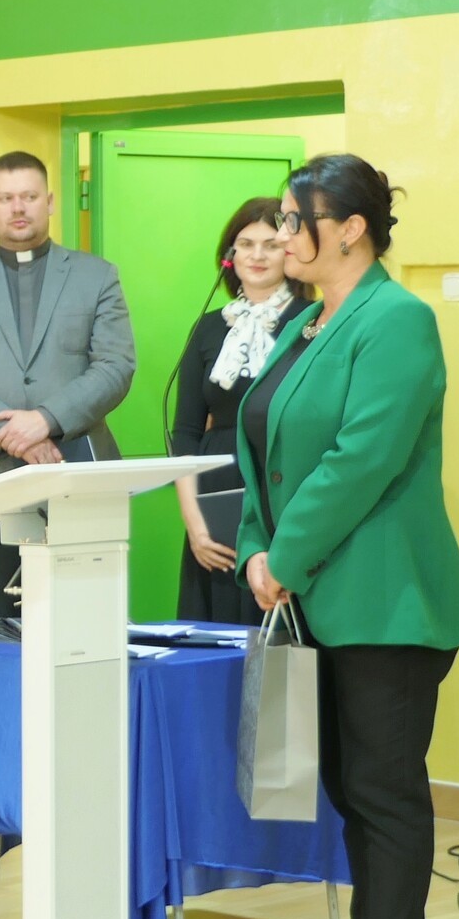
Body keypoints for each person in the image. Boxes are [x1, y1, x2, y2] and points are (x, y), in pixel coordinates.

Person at [235, 154, 459, 919]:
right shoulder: (309, 322)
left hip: (384, 601)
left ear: (352, 229)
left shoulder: (397, 319)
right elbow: (265, 445)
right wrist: (256, 548)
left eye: (298, 219)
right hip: (312, 596)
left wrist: (285, 557)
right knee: (348, 790)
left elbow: (362, 456)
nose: (283, 234)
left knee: (384, 794)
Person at [0, 151, 136, 639]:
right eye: (6, 198)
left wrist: (46, 420)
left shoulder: (96, 276)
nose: (18, 208)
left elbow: (115, 365)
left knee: (87, 621)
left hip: (75, 469)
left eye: (29, 196)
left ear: (50, 201)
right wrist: (13, 434)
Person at [169, 199, 307, 625]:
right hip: (218, 492)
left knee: (278, 631)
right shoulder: (209, 327)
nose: (257, 255)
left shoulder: (312, 322)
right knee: (218, 630)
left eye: (270, 244)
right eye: (246, 244)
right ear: (230, 256)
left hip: (284, 486)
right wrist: (194, 521)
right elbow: (186, 431)